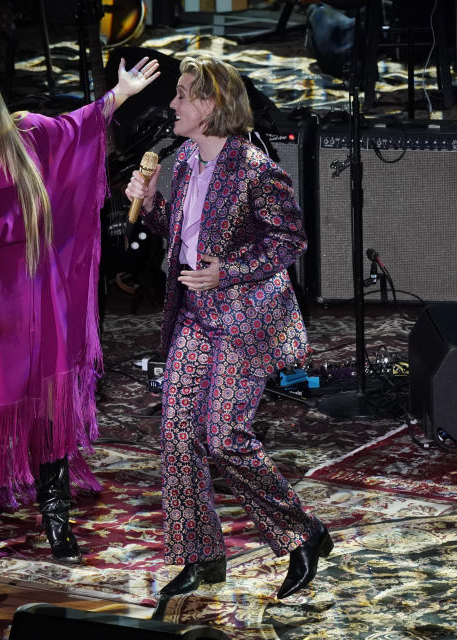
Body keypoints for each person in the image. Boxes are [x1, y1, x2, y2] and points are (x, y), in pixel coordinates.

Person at [0, 58, 159, 562]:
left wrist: (122, 93)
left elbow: (78, 127)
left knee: (48, 408)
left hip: (37, 290)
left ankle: (55, 517)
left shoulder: (28, 133)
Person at [124, 52, 331, 599]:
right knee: (177, 434)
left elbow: (290, 240)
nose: (172, 103)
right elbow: (185, 232)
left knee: (224, 437)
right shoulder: (187, 159)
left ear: (211, 104)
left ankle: (303, 532)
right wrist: (150, 205)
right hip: (195, 316)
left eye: (183, 94)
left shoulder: (257, 168)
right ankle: (200, 557)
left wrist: (228, 272)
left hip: (244, 320)